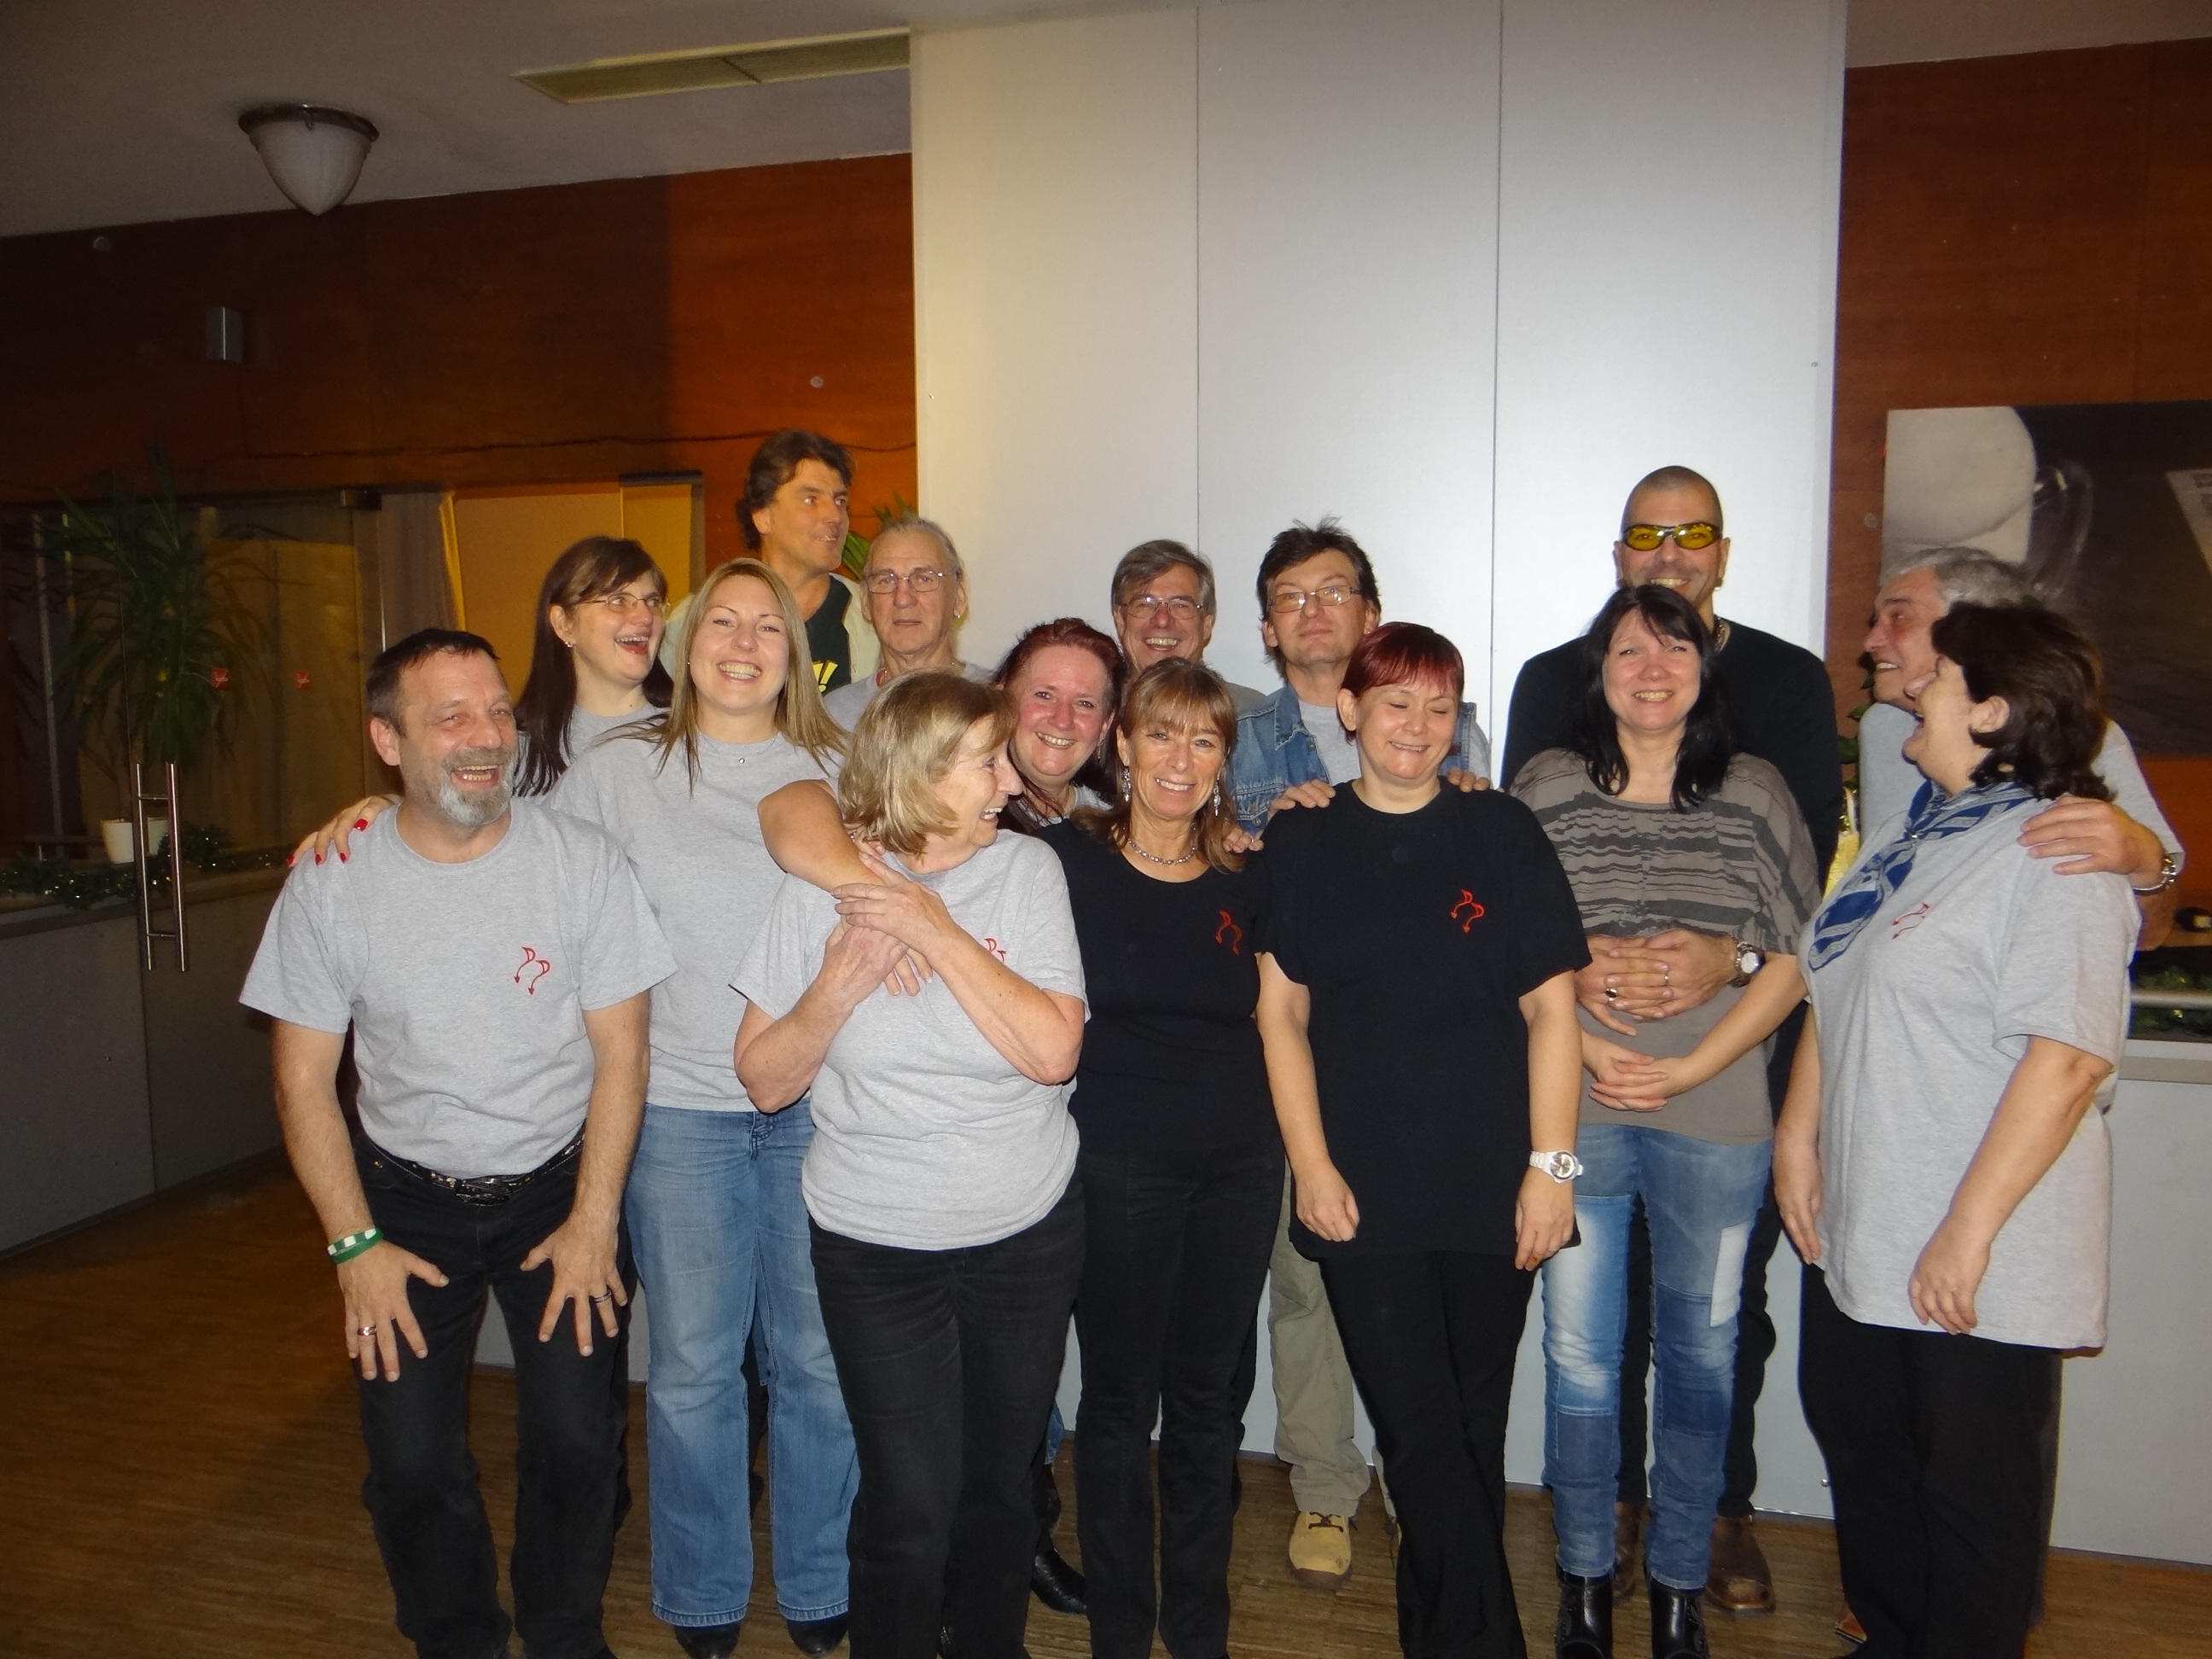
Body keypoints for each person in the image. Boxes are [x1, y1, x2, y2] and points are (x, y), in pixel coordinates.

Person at [241, 629, 674, 1659]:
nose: (486, 738)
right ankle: (457, 1638)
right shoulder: (332, 880)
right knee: (410, 1461)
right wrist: (354, 1246)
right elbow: (302, 1080)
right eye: (451, 718)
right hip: (402, 1203)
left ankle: (563, 1631)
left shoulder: (580, 862)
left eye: (497, 712)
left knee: (578, 1443)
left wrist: (594, 1223)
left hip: (559, 1189)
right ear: (387, 741)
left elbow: (623, 1056)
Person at [1501, 467, 1843, 1614]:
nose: (1653, 668)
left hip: (1721, 1114)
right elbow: (1510, 941)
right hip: (1579, 1107)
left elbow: (1796, 952)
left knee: (1704, 1356)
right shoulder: (1547, 785)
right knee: (1580, 1357)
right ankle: (1586, 1580)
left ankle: (1683, 1583)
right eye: (1628, 651)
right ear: (1596, 671)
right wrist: (1591, 1040)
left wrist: (1695, 1059)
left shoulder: (1756, 791)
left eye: (1675, 649)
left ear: (1706, 667)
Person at [1777, 603, 2135, 1659]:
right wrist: (1799, 1138)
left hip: (1973, 1248)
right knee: (1872, 1458)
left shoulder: (2058, 844)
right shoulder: (1919, 830)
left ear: (1992, 709)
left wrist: (1965, 1235)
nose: (1906, 689)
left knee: (1972, 1501)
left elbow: (2067, 1058)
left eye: (1933, 678)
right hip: (1869, 1226)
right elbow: (1835, 983)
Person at [758, 617, 1122, 1620]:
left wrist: (936, 929)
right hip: (875, 1246)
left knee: (999, 1493)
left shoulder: (1027, 872)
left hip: (1023, 1237)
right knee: (909, 1506)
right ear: (920, 774)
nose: (1011, 780)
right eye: (987, 762)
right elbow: (765, 1081)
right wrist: (838, 986)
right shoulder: (823, 889)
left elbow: (1054, 1053)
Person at [1255, 622, 1588, 1659]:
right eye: (1396, 702)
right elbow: (1281, 1015)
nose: (1418, 725)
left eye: (1440, 706)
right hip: (1362, 1188)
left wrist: (1552, 1169)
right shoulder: (1301, 840)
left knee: (1472, 1429)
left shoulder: (1503, 831)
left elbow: (1553, 1011)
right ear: (1350, 710)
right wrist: (1311, 1167)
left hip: (1496, 1183)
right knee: (1418, 1430)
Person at [550, 559, 855, 1659]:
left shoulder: (839, 765)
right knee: (691, 1368)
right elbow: (523, 865)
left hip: (818, 1103)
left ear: (794, 653)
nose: (742, 642)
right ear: (685, 646)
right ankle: (703, 1590)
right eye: (721, 621)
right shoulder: (619, 770)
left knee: (817, 1362)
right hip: (677, 1108)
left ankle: (821, 1581)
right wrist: (379, 813)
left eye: (766, 626)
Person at [1226, 519, 1492, 1590]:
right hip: (1296, 1058)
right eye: (1291, 597)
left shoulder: (1452, 729)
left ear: (1371, 613)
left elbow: (1485, 897)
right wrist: (1260, 838)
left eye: (1334, 591)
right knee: (1311, 1283)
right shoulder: (1240, 741)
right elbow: (1206, 876)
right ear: (1266, 627)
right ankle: (1326, 1486)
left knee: (1428, 1289)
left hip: (1429, 1078)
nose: (1314, 611)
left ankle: (1418, 1482)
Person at [1038, 660, 1280, 1659]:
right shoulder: (1062, 860)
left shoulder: (1250, 874)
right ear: (1124, 746)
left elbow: (1284, 1019)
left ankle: (1198, 1626)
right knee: (1117, 1403)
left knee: (1208, 1406)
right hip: (1118, 1169)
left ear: (1224, 759)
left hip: (1240, 1168)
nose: (1182, 759)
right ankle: (1121, 1629)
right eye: (1163, 734)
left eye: (1205, 739)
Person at [1859, 546, 2181, 948]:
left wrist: (2147, 865)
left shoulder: (2075, 733)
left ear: (1978, 630)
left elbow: (2150, 934)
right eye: (1876, 621)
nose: (1871, 641)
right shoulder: (1884, 727)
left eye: (1899, 617)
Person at [294, 534, 672, 863]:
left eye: (653, 601)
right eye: (618, 600)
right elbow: (465, 829)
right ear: (562, 623)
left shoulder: (688, 734)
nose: (645, 617)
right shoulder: (506, 745)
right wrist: (394, 809)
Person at [741, 428, 878, 694]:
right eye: (811, 499)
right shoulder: (700, 620)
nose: (835, 516)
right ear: (763, 516)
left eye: (839, 501)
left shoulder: (874, 621)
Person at [824, 516, 990, 728]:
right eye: (886, 580)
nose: (902, 599)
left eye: (923, 579)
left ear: (959, 597)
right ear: (866, 602)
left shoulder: (997, 703)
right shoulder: (833, 718)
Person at [994, 617, 1126, 832]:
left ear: (1105, 725)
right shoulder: (963, 818)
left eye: (1084, 704)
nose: (1063, 720)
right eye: (1044, 695)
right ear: (1001, 702)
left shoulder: (1118, 833)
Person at [1109, 539, 1263, 712]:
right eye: (1145, 604)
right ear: (1120, 620)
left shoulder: (1250, 717)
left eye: (1180, 605)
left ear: (1206, 625)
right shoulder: (1096, 714)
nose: (1162, 620)